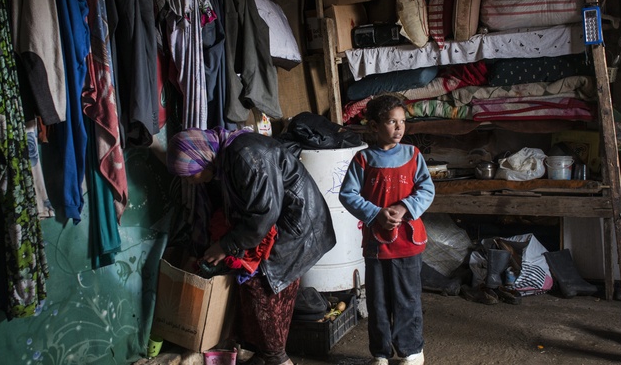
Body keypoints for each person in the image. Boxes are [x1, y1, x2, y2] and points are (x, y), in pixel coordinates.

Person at [167, 127, 336, 365]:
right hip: (281, 224)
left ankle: (278, 359)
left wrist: (225, 245)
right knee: (261, 289)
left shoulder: (245, 156)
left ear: (201, 159)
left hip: (295, 226)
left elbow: (263, 215)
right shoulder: (228, 157)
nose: (188, 182)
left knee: (259, 286)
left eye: (188, 175)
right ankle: (266, 354)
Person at [339, 95, 435, 365]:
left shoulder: (413, 155)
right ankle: (380, 353)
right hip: (377, 244)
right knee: (378, 301)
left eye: (402, 121)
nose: (399, 127)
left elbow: (427, 189)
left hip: (408, 242)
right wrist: (376, 214)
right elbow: (348, 194)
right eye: (392, 122)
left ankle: (411, 351)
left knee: (407, 298)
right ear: (374, 126)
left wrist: (404, 208)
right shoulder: (363, 159)